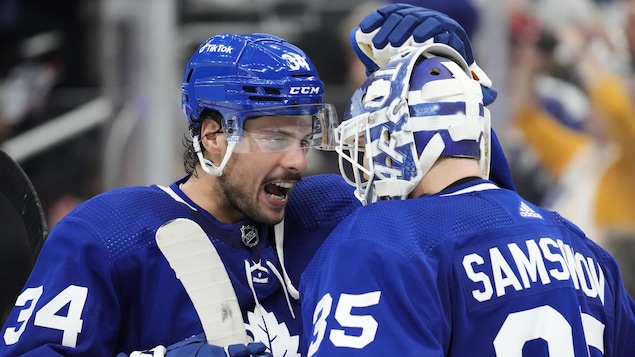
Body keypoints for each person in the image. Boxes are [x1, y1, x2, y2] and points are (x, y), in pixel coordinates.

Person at [0, 5, 518, 356]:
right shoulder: (109, 232)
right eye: (274, 137)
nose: (297, 160)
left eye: (304, 136)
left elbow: (484, 236)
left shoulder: (333, 212)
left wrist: (456, 96)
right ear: (212, 136)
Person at [299, 31, 635, 357]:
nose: (366, 165)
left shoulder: (380, 239)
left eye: (366, 146)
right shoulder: (582, 248)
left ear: (395, 138)